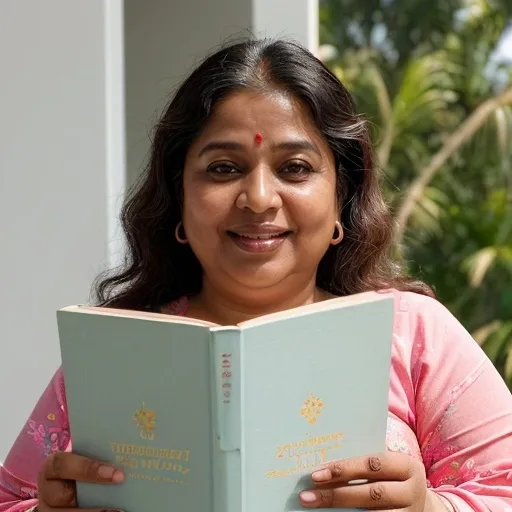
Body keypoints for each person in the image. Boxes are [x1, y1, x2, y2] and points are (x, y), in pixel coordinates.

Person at [1, 37, 511, 512]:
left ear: (341, 199)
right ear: (178, 197)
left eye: (295, 168)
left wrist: (427, 507)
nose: (260, 199)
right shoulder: (114, 353)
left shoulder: (411, 334)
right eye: (223, 168)